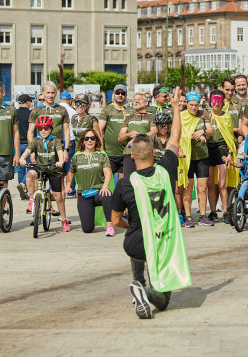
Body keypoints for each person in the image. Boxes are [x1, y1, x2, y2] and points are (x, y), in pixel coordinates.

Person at [111, 86, 189, 319]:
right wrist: (175, 108)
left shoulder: (125, 184)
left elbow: (115, 220)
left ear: (132, 156)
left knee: (137, 244)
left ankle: (137, 282)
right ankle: (144, 289)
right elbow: (174, 138)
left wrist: (132, 225)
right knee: (164, 302)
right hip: (162, 242)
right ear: (154, 153)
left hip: (136, 243)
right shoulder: (165, 169)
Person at [20, 115, 69, 231]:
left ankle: (64, 220)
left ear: (50, 129)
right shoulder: (36, 141)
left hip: (53, 168)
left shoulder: (55, 140)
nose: (43, 131)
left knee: (58, 197)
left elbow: (60, 151)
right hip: (40, 167)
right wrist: (22, 158)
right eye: (41, 128)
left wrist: (60, 161)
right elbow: (27, 150)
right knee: (29, 175)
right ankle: (32, 200)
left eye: (46, 128)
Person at [64, 129, 114, 235]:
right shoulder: (77, 157)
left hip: (98, 192)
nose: (89, 141)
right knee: (87, 229)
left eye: (92, 138)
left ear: (96, 140)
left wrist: (105, 186)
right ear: (82, 141)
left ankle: (109, 226)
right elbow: (70, 173)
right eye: (87, 139)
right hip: (85, 194)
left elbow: (107, 173)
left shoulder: (101, 155)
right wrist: (68, 185)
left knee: (107, 195)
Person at [178, 91, 214, 227]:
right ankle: (188, 217)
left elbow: (211, 130)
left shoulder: (203, 114)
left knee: (202, 187)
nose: (193, 108)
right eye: (191, 105)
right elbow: (176, 134)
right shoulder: (181, 116)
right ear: (186, 104)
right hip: (187, 157)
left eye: (196, 105)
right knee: (188, 188)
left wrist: (202, 132)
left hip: (202, 155)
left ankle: (203, 215)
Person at [206, 89, 238, 224]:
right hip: (208, 150)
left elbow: (230, 136)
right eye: (214, 100)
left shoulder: (226, 117)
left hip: (221, 150)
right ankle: (213, 212)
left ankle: (225, 211)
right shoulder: (206, 116)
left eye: (219, 100)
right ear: (210, 101)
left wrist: (230, 153)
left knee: (222, 184)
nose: (216, 103)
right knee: (210, 184)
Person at [98, 84, 134, 180]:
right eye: (118, 93)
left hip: (126, 152)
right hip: (110, 153)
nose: (120, 95)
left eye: (122, 93)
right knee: (108, 181)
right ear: (113, 94)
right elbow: (99, 130)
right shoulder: (107, 110)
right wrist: (101, 149)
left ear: (126, 95)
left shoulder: (131, 110)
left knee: (123, 182)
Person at [119, 93, 156, 177]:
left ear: (146, 102)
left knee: (146, 180)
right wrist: (128, 134)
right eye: (134, 100)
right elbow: (120, 137)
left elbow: (154, 131)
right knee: (129, 182)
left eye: (139, 99)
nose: (136, 101)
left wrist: (138, 138)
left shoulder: (151, 117)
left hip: (145, 154)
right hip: (129, 154)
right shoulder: (128, 118)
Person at [28, 81, 70, 153]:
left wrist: (66, 149)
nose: (50, 95)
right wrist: (32, 151)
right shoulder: (36, 110)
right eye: (48, 93)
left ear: (56, 94)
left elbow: (66, 131)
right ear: (43, 93)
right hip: (40, 150)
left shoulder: (62, 110)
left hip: (58, 150)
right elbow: (30, 132)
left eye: (53, 93)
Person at [16, 94, 33, 199]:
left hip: (18, 144)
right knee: (30, 167)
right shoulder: (31, 114)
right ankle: (23, 184)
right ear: (28, 102)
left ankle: (22, 189)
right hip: (28, 143)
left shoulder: (15, 113)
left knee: (20, 168)